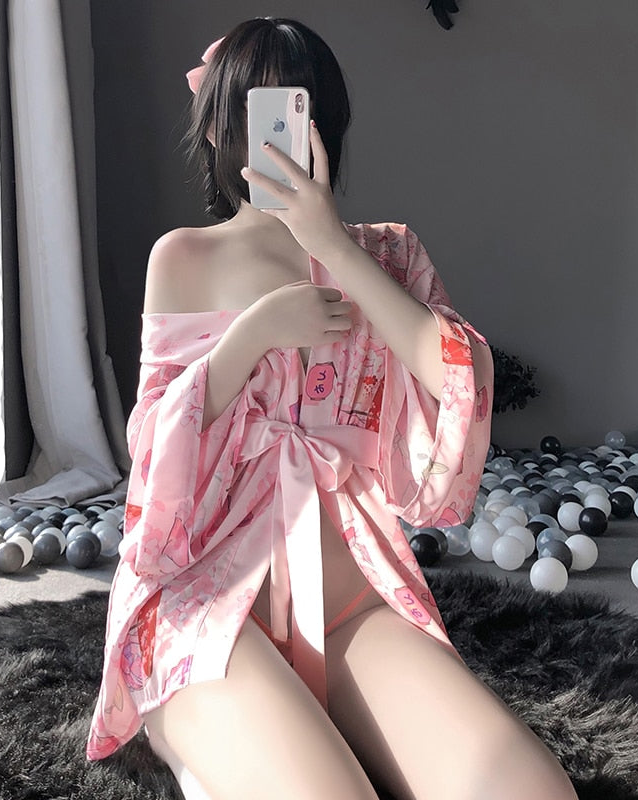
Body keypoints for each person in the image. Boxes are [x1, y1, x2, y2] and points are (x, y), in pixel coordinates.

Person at [87, 17, 578, 800]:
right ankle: (198, 738)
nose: (278, 132)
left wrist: (333, 247)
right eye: (251, 109)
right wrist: (249, 338)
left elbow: (462, 379)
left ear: (327, 122)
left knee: (532, 792)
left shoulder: (388, 254)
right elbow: (151, 460)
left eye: (299, 107)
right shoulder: (183, 257)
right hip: (204, 602)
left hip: (349, 603)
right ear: (218, 126)